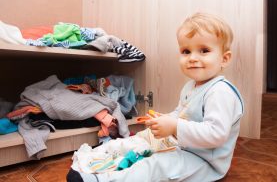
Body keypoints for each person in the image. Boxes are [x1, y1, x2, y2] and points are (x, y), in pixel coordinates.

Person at [67, 12, 244, 182]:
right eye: (186, 51)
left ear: (225, 59)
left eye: (204, 50)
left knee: (156, 165)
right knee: (142, 139)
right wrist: (165, 119)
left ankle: (104, 179)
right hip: (184, 146)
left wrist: (174, 126)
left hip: (205, 162)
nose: (192, 58)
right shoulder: (191, 86)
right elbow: (182, 113)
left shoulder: (220, 92)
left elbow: (216, 134)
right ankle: (96, 155)